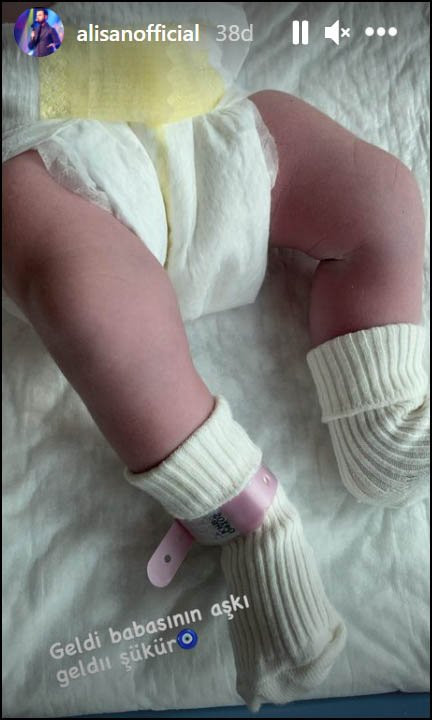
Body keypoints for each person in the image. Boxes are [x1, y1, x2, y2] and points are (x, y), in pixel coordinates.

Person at [2, 1, 429, 712]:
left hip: (202, 123)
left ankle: (384, 420)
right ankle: (246, 517)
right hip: (41, 138)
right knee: (82, 295)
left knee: (381, 193)